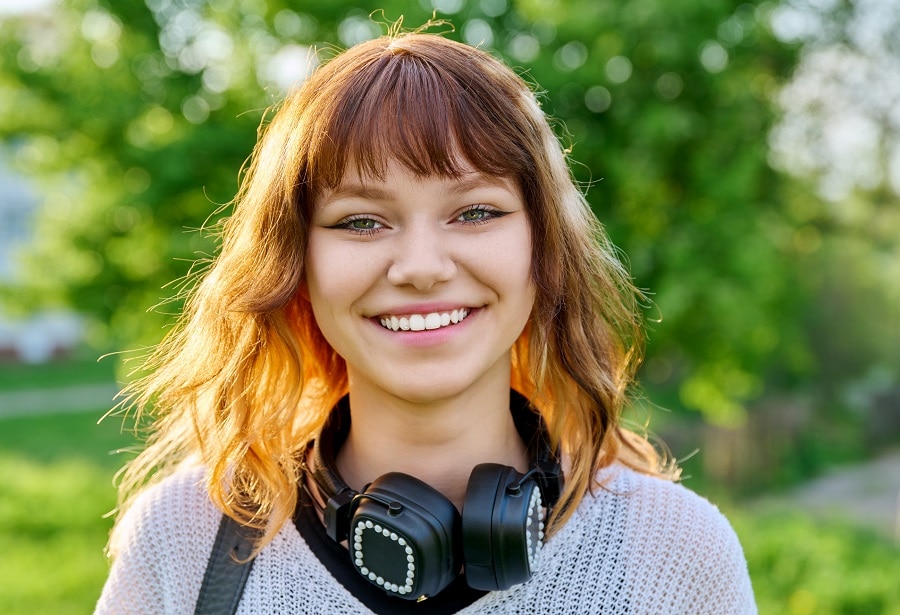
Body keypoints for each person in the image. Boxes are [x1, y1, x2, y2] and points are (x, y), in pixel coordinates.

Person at [95, 29, 756, 614]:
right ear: (296, 263)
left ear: (543, 250)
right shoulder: (187, 539)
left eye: (474, 211)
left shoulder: (673, 554)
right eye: (360, 220)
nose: (420, 266)